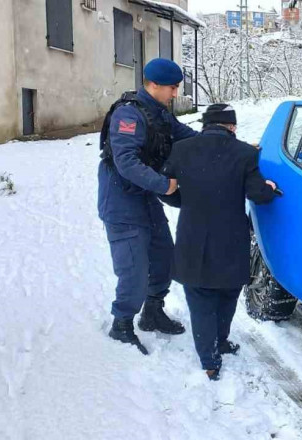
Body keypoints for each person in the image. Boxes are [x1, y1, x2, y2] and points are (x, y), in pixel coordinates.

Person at [162, 104, 278, 380]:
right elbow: (257, 194)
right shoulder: (246, 154)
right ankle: (221, 341)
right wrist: (270, 188)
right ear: (232, 127)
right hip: (230, 236)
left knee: (200, 297)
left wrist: (185, 202)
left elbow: (164, 189)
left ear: (205, 124)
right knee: (227, 292)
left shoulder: (181, 150)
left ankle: (209, 359)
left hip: (193, 235)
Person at [98, 58, 198, 355]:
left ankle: (152, 311)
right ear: (153, 84)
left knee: (163, 255)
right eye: (172, 87)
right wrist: (163, 185)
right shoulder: (128, 115)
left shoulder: (159, 113)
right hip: (121, 200)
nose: (175, 93)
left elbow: (187, 137)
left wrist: (224, 143)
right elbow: (125, 161)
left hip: (143, 197)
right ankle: (122, 323)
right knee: (134, 269)